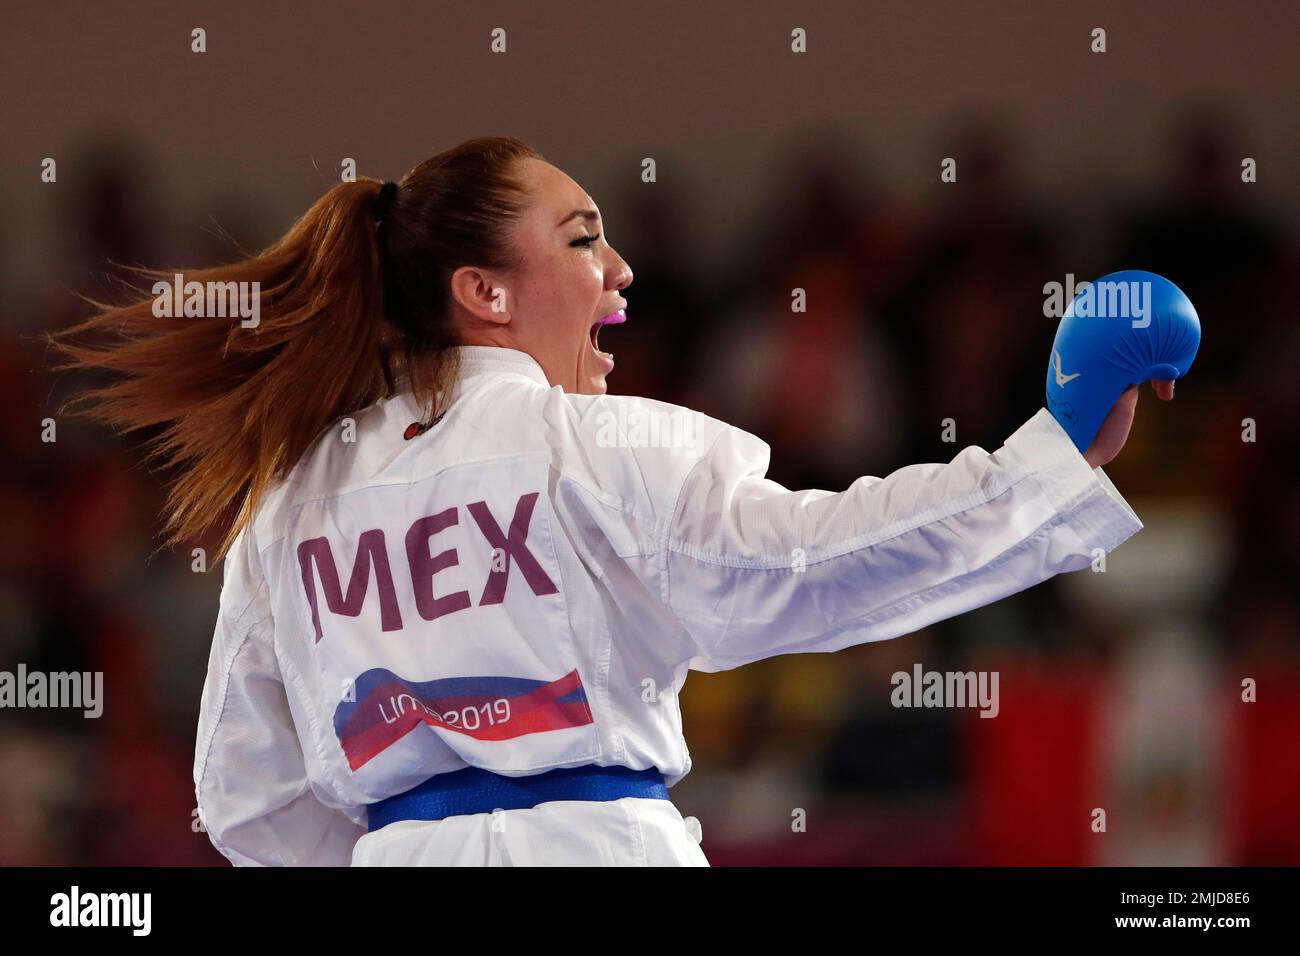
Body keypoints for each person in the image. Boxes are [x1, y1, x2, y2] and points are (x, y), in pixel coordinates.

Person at [50, 136, 1171, 866]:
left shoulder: (286, 507)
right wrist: (1050, 457)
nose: (622, 268)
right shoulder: (595, 448)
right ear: (483, 292)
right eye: (584, 239)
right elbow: (817, 563)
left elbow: (244, 799)